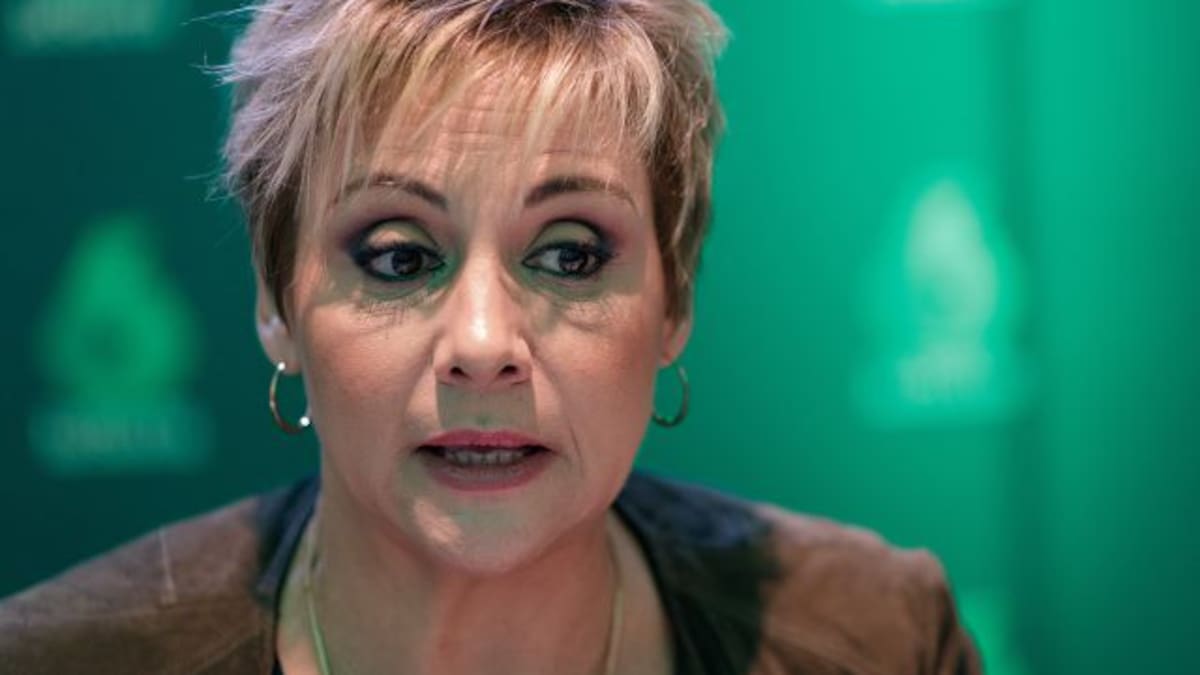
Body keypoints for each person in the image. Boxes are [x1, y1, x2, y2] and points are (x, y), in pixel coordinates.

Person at [0, 1, 983, 673]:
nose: (481, 342)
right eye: (398, 257)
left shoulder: (880, 636)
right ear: (275, 302)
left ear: (675, 296)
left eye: (568, 254)